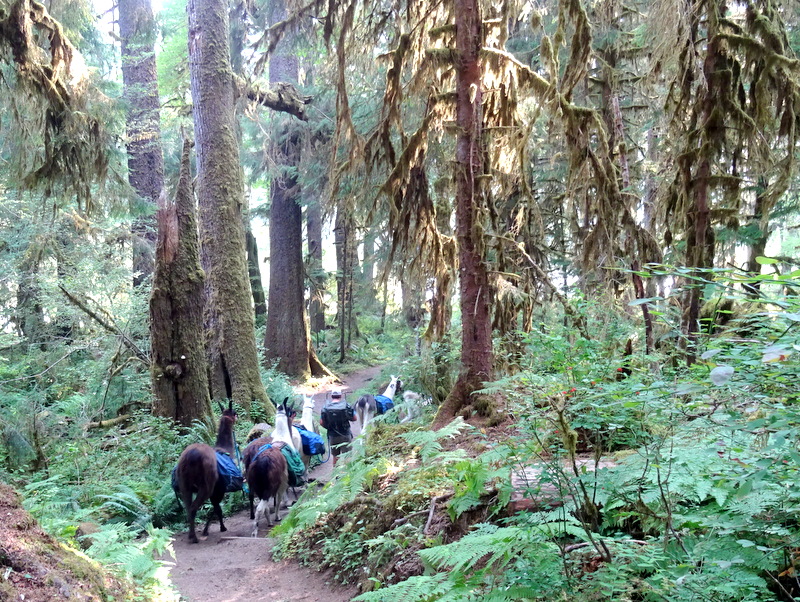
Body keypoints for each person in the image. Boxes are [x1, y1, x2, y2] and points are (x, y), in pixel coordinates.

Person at [319, 388, 357, 466]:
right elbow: (354, 418)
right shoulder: (346, 406)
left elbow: (321, 423)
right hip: (346, 435)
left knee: (335, 457)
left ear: (331, 396)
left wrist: (329, 427)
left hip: (333, 436)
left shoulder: (326, 407)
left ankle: (336, 475)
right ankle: (348, 475)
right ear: (340, 395)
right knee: (347, 456)